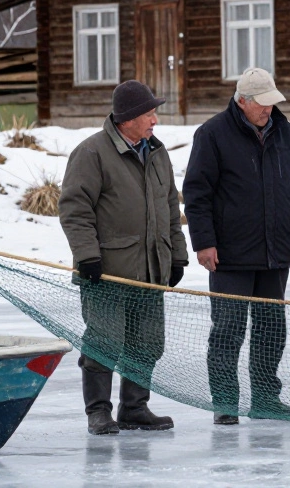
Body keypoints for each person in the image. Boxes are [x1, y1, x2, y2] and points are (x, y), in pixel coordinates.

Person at [183, 68, 290, 424]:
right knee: (228, 330)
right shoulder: (211, 134)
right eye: (262, 104)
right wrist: (204, 243)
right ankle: (225, 403)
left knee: (272, 329)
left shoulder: (286, 134)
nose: (269, 110)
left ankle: (265, 400)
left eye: (273, 103)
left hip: (276, 251)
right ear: (242, 102)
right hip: (229, 255)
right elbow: (196, 195)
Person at [58, 80, 188, 435]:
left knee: (147, 343)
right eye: (149, 113)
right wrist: (87, 257)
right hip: (107, 272)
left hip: (150, 270)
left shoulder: (158, 153)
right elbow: (75, 210)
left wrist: (177, 256)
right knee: (105, 341)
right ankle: (98, 412)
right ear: (128, 118)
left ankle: (135, 408)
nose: (155, 120)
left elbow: (170, 210)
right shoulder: (92, 153)